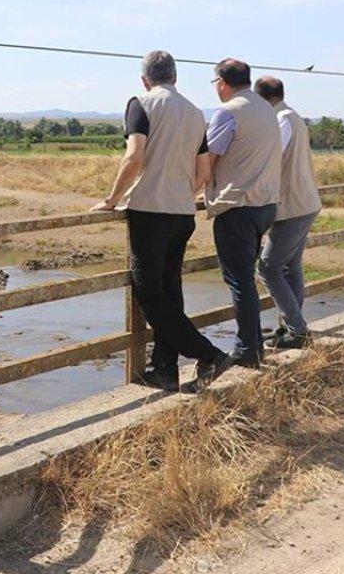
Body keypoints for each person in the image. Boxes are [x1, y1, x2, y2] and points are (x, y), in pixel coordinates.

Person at [92, 50, 231, 392]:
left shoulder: (141, 103)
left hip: (150, 212)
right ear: (176, 77)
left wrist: (112, 200)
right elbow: (204, 171)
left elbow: (134, 156)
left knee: (149, 293)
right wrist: (185, 190)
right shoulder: (196, 113)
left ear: (145, 80)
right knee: (170, 292)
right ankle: (165, 370)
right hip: (183, 213)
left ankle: (210, 354)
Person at [201, 58, 282, 377]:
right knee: (245, 276)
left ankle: (248, 349)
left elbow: (209, 159)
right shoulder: (266, 110)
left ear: (222, 81)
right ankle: (254, 345)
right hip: (265, 204)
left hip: (238, 206)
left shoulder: (228, 112)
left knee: (239, 279)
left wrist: (193, 188)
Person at [254, 76, 321, 349]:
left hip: (292, 205)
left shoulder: (280, 120)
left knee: (267, 268)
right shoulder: (294, 117)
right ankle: (291, 327)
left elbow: (271, 157)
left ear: (260, 99)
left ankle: (298, 330)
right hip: (306, 203)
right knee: (290, 267)